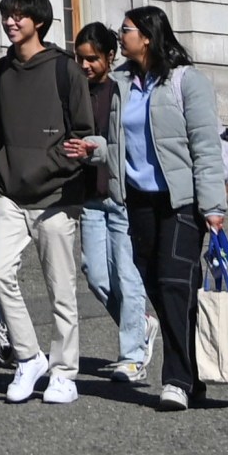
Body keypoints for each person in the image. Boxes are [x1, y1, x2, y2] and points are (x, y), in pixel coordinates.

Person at [0, 0, 99, 404]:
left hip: (57, 197)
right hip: (9, 194)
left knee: (60, 290)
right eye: (6, 15)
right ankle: (29, 358)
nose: (10, 22)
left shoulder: (65, 69)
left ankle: (65, 372)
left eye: (18, 16)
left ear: (39, 22)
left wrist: (61, 166)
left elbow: (81, 134)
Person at [118, 6, 227, 414]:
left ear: (146, 36)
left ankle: (177, 380)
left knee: (174, 283)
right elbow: (113, 137)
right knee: (157, 286)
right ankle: (194, 373)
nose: (120, 36)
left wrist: (213, 206)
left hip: (181, 201)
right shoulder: (121, 83)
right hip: (139, 200)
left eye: (125, 30)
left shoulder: (187, 81)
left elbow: (205, 146)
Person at [70, 24, 152, 385]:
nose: (86, 65)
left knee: (126, 274)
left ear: (109, 57)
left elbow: (129, 140)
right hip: (88, 197)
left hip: (120, 196)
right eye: (81, 58)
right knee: (96, 276)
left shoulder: (123, 89)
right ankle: (141, 325)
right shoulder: (74, 91)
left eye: (92, 59)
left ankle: (132, 355)